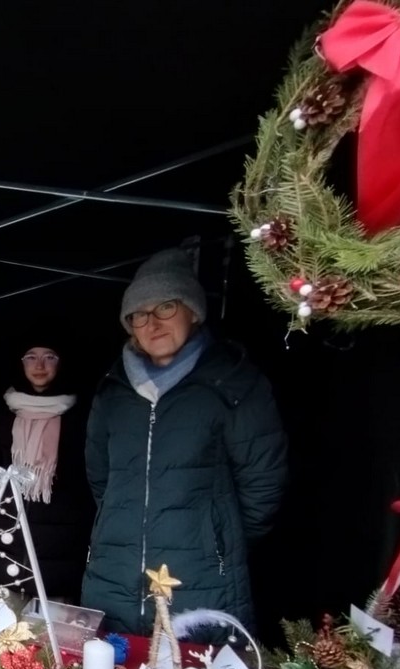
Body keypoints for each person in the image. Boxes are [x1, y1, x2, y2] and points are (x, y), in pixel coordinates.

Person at [82, 247, 288, 635]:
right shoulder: (112, 392)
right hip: (114, 575)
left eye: (166, 307)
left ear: (193, 311)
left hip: (203, 578)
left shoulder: (233, 382)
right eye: (139, 314)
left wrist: (217, 542)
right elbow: (101, 479)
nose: (152, 323)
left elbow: (263, 482)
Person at [0, 327, 93, 603]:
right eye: (31, 357)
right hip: (6, 541)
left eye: (49, 356)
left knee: (51, 628)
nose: (39, 365)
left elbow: (87, 485)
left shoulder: (81, 418)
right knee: (3, 626)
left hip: (59, 548)